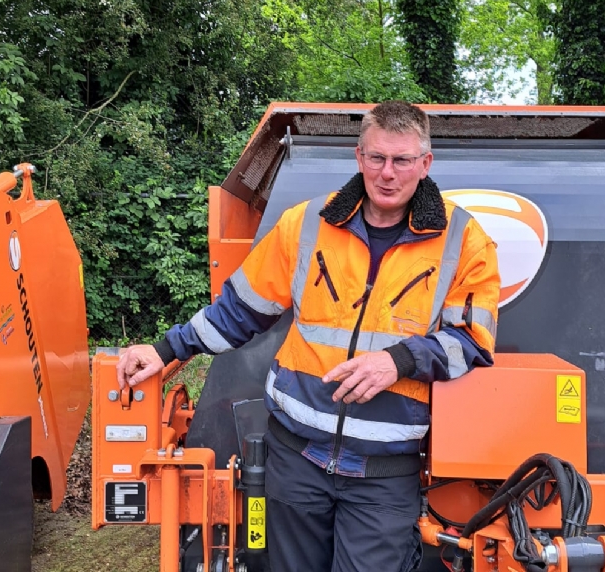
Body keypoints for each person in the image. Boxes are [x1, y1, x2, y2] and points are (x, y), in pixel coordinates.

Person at [117, 100, 500, 571]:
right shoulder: (306, 223)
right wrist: (165, 349)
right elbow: (240, 310)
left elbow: (472, 341)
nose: (387, 173)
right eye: (377, 158)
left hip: (383, 475)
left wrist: (398, 360)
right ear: (359, 157)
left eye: (402, 160)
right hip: (294, 459)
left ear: (425, 164)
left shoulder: (465, 240)